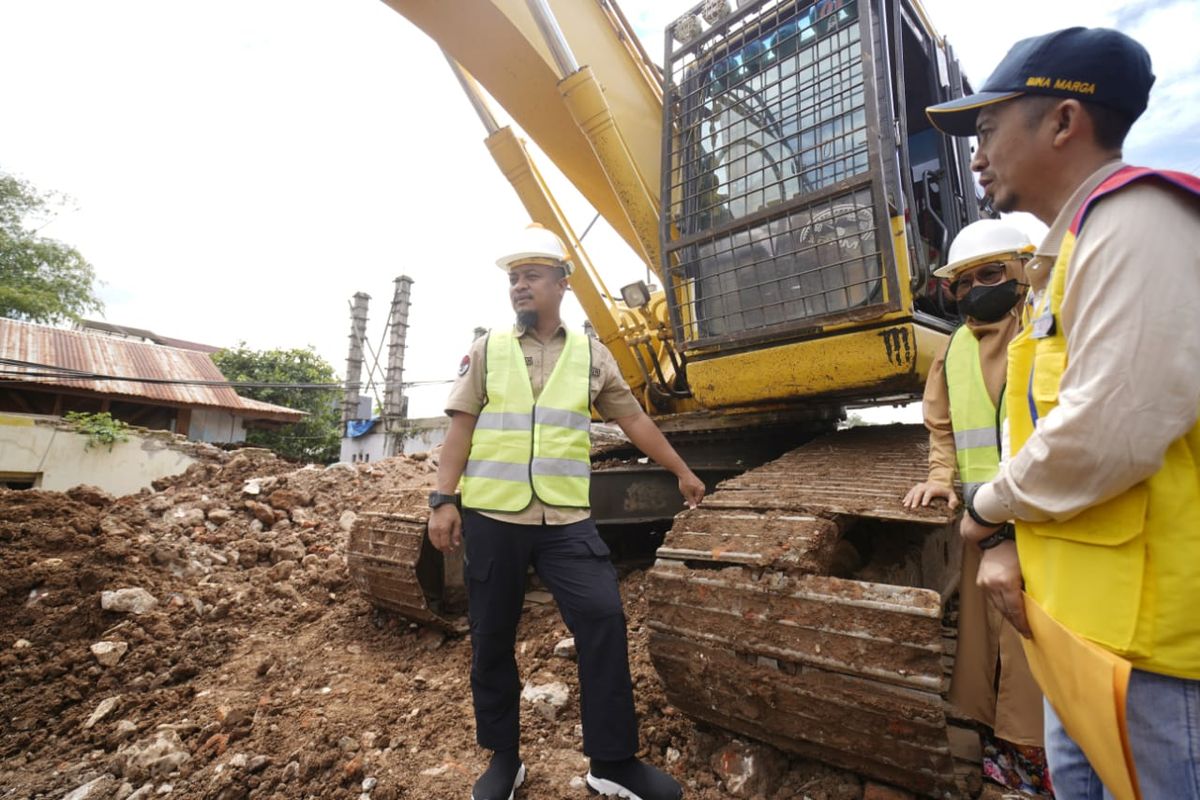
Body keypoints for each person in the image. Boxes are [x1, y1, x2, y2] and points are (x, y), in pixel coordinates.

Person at [926, 26, 1200, 799]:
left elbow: (1110, 430)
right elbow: (1037, 427)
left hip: (1152, 659)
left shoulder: (1139, 224)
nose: (975, 156)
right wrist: (1011, 537)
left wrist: (987, 506)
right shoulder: (1069, 252)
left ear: (1063, 122)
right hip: (1078, 635)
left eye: (986, 130)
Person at [428, 223, 705, 800]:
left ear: (561, 283)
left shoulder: (591, 355)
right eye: (513, 279)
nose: (519, 287)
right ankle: (504, 760)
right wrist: (442, 499)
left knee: (603, 618)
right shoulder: (487, 350)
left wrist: (680, 470)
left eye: (530, 276)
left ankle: (612, 763)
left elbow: (633, 419)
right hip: (494, 517)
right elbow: (461, 427)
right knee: (492, 634)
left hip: (565, 520)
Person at [903, 219, 1051, 795]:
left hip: (1041, 522)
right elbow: (942, 427)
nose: (972, 291)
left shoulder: (1044, 332)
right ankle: (1003, 744)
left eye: (990, 274)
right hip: (981, 522)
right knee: (986, 639)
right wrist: (941, 478)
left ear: (1022, 270)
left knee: (1034, 643)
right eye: (962, 282)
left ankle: (1041, 754)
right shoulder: (954, 346)